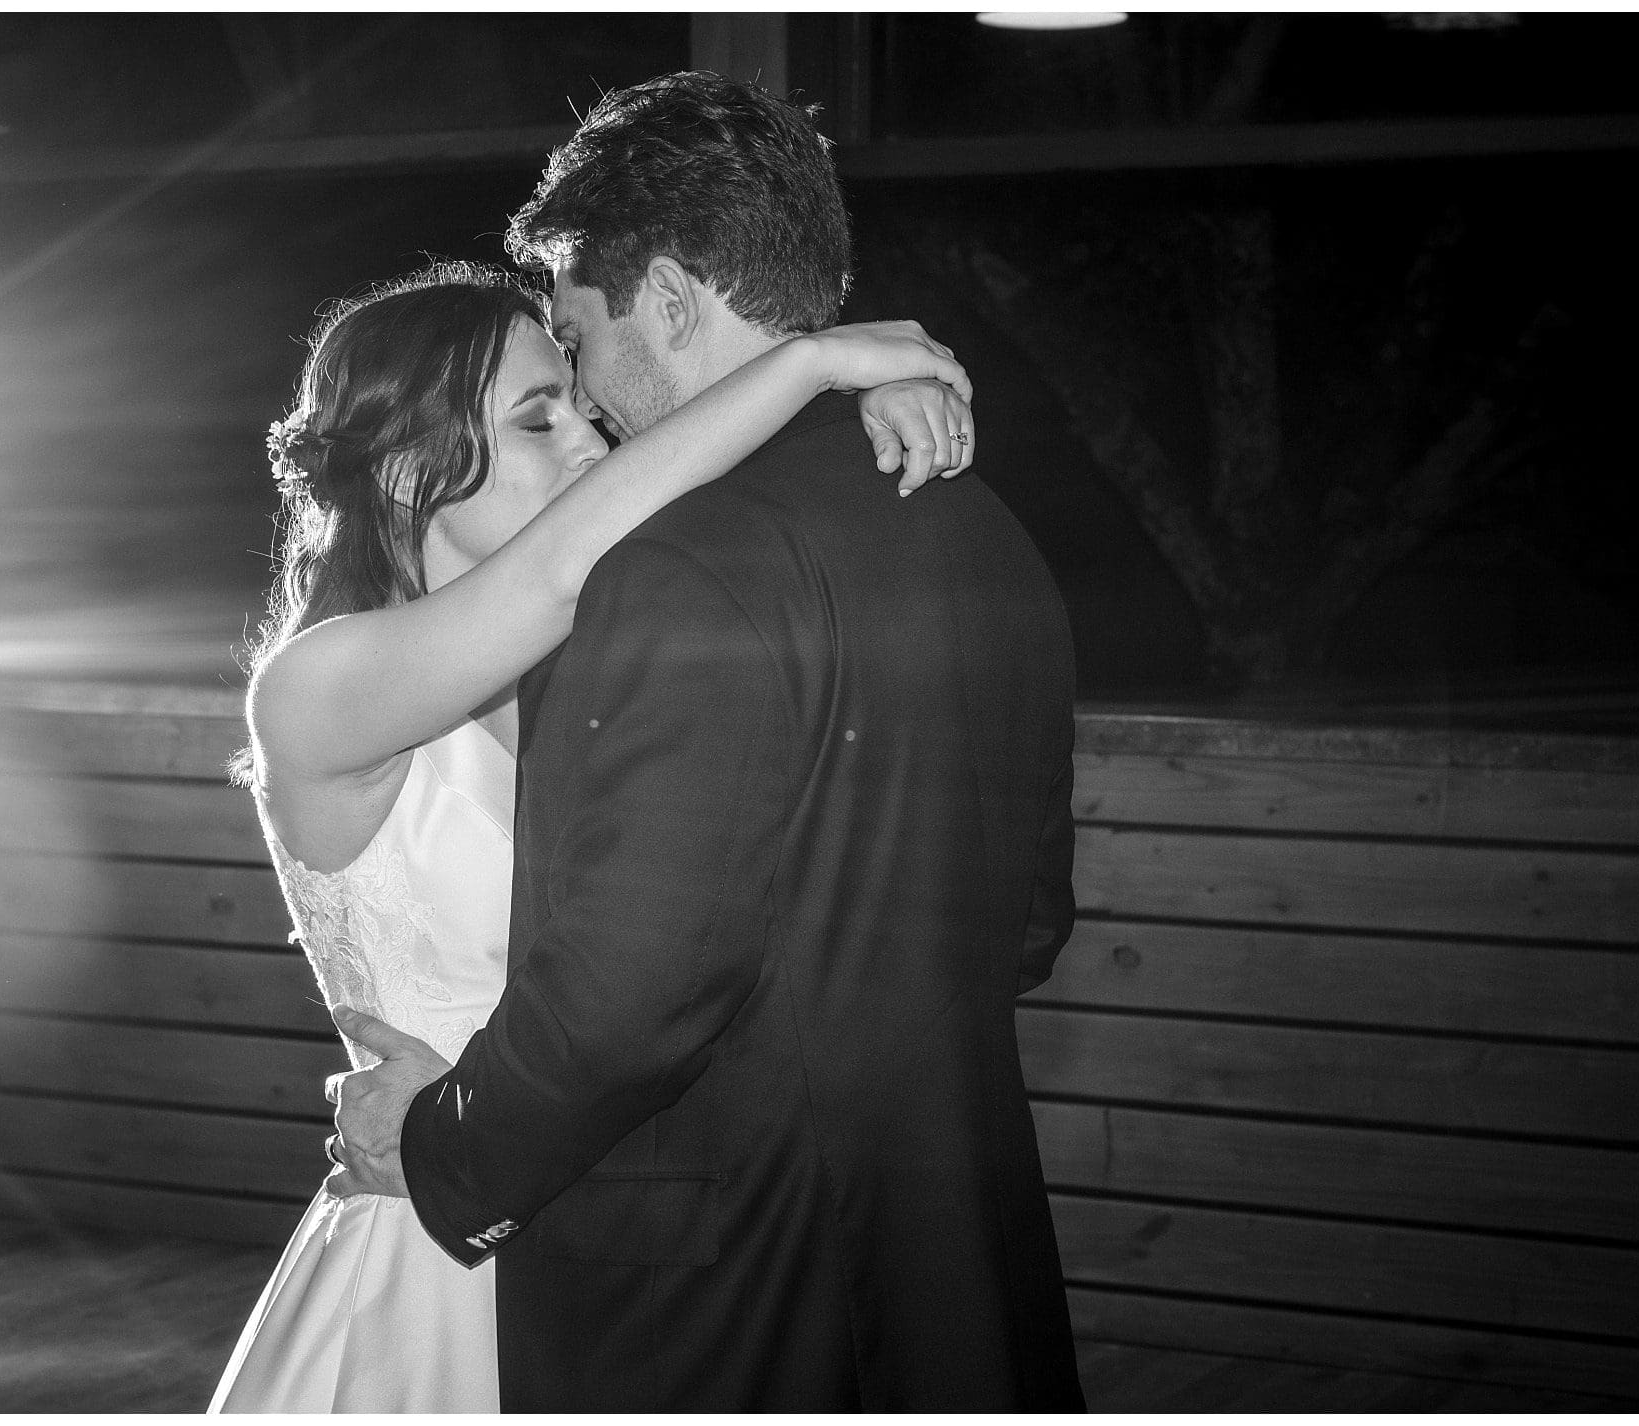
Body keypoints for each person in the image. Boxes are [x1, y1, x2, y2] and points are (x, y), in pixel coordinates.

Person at [325, 74, 1084, 1411]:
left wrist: (445, 1150)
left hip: (728, 1305)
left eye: (580, 333)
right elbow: (1026, 922)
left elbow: (634, 988)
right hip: (954, 1265)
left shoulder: (681, 566)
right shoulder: (991, 537)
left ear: (670, 301)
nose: (594, 399)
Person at [206, 257, 977, 1412]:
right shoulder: (316, 687)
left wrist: (839, 419)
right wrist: (812, 362)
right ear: (414, 467)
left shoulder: (586, 658)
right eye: (538, 416)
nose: (592, 442)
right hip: (431, 1243)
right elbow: (563, 565)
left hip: (614, 1242)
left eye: (583, 405)